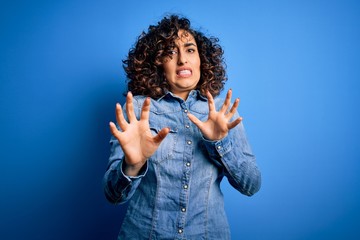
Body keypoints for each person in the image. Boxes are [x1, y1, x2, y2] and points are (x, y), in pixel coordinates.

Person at [103, 14, 261, 240]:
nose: (182, 60)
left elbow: (251, 185)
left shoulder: (220, 111)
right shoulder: (137, 109)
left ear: (202, 59)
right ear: (157, 63)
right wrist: (132, 165)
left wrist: (220, 143)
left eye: (189, 50)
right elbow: (113, 196)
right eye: (170, 52)